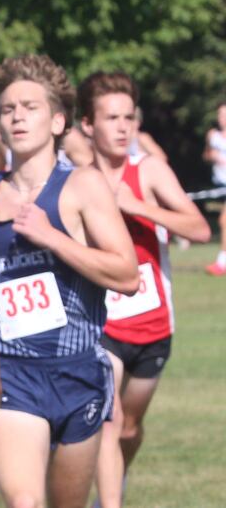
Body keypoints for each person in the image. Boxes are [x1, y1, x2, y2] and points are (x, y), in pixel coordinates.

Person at [0, 54, 140, 508]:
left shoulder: (83, 186)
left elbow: (127, 276)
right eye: (8, 109)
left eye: (30, 107)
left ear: (58, 120)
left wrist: (53, 238)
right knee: (25, 502)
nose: (18, 116)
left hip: (80, 370)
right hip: (11, 371)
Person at [78, 71, 210, 508]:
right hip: (102, 323)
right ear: (87, 124)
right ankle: (110, 502)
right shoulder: (76, 179)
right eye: (111, 117)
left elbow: (198, 226)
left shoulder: (148, 170)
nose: (122, 127)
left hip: (153, 323)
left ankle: (119, 478)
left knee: (130, 426)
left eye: (129, 118)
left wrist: (138, 206)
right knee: (110, 419)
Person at [204, 101, 226, 275]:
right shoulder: (213, 136)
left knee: (224, 220)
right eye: (220, 115)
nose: (222, 118)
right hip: (220, 186)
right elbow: (206, 154)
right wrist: (213, 156)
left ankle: (222, 263)